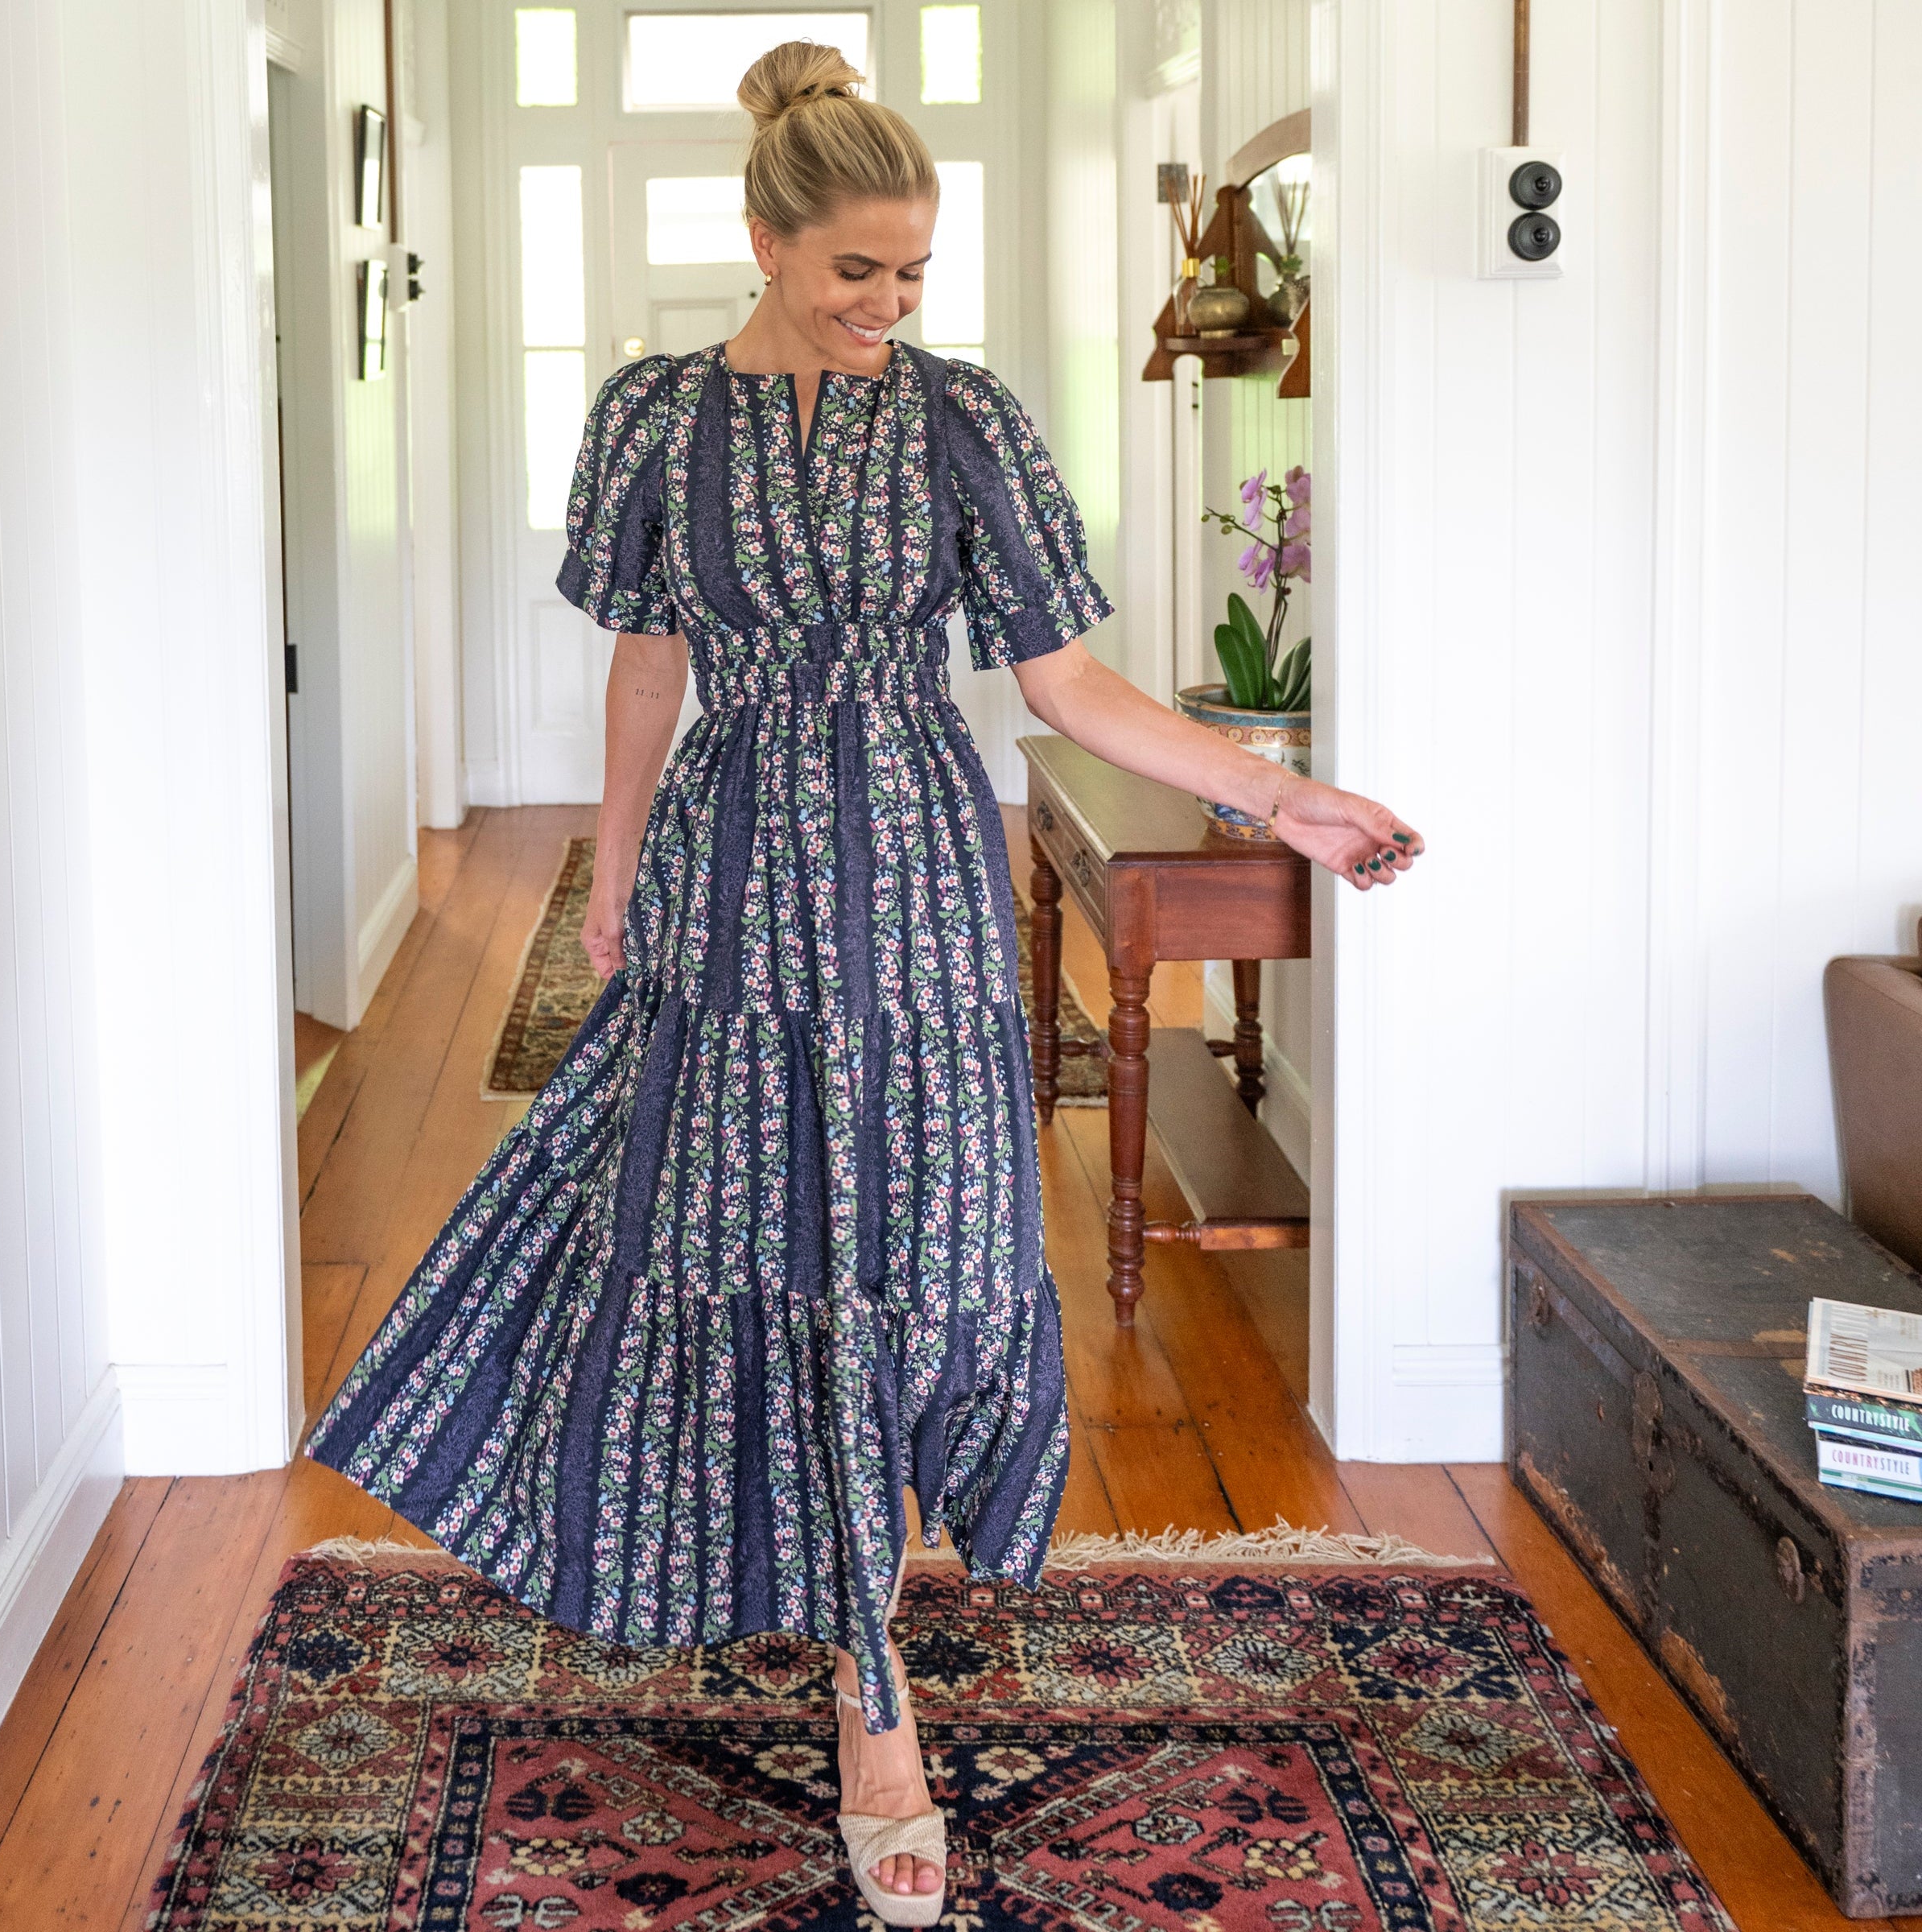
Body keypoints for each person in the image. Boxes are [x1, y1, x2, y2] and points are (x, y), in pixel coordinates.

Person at [303, 38, 1421, 1926]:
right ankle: (852, 1669)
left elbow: (1065, 682)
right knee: (746, 1231)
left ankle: (867, 1646)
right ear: (764, 238)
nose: (890, 309)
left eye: (915, 274)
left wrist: (1281, 791)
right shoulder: (654, 418)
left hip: (912, 862)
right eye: (855, 274)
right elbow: (648, 661)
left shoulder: (968, 418)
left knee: (933, 1246)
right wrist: (624, 853)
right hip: (735, 862)